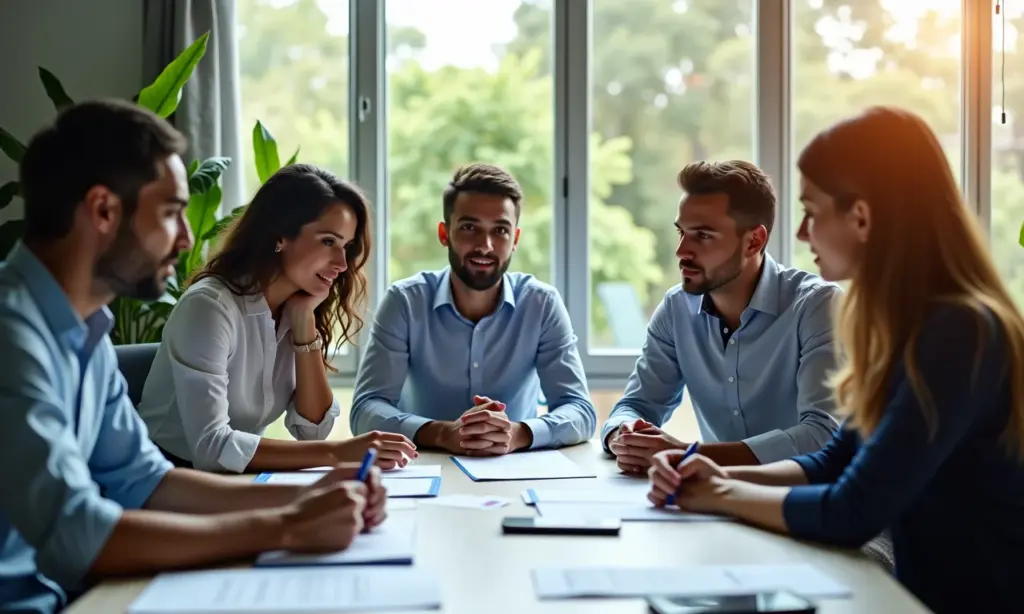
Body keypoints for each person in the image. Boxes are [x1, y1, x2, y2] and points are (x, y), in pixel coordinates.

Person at [0, 100, 386, 614]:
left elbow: (145, 481)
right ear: (103, 210)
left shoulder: (86, 332)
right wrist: (286, 524)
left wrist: (318, 493)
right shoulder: (12, 336)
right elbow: (76, 533)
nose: (186, 238)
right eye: (169, 212)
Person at [647, 107, 1024, 613]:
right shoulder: (909, 326)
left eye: (812, 210)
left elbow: (854, 509)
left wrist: (719, 494)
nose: (802, 233)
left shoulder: (960, 331)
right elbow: (834, 461)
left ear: (862, 217)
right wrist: (703, 471)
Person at [136, 164, 417, 473]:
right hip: (165, 479)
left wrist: (303, 323)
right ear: (280, 235)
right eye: (328, 242)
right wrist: (339, 452)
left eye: (347, 247)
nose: (341, 263)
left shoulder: (295, 307)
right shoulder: (210, 307)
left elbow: (312, 432)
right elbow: (212, 447)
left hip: (234, 480)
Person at [602, 160, 840, 472]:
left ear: (754, 241)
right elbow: (636, 405)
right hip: (711, 503)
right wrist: (625, 436)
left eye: (702, 235)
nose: (681, 251)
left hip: (799, 506)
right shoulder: (676, 309)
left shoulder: (818, 306)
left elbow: (822, 436)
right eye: (681, 232)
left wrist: (691, 455)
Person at [350, 163, 596, 454]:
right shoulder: (405, 302)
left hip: (516, 470)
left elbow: (580, 411)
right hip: (422, 467)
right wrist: (442, 433)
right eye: (470, 227)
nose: (486, 246)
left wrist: (518, 433)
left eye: (500, 231)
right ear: (445, 234)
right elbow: (365, 410)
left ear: (515, 239)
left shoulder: (541, 304)